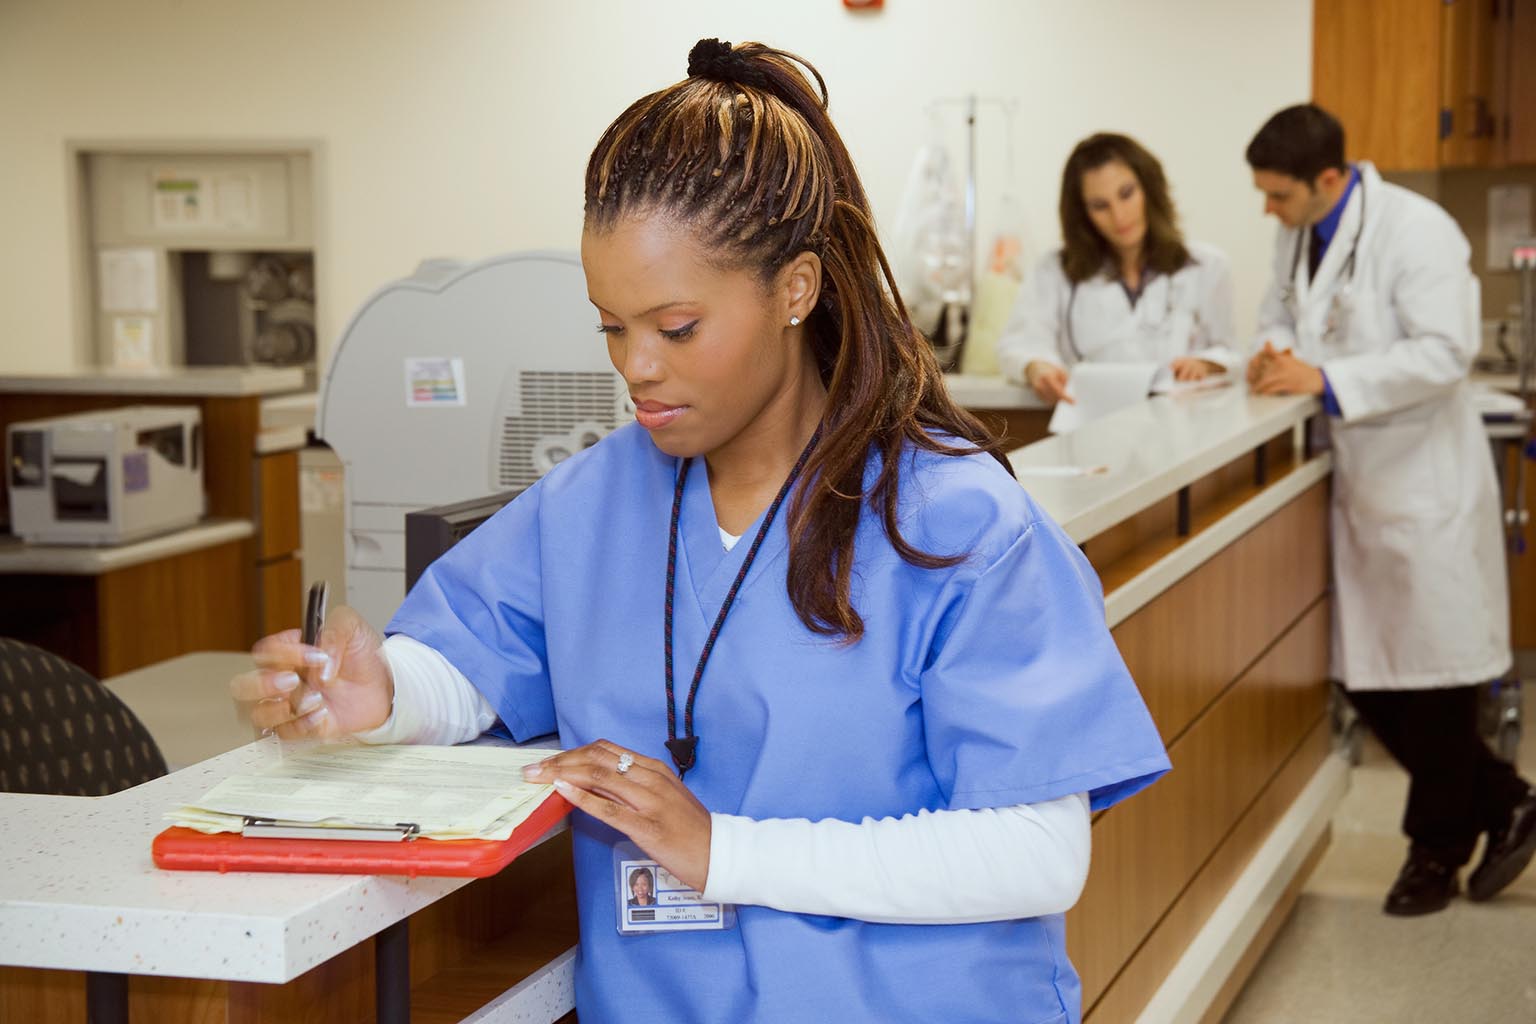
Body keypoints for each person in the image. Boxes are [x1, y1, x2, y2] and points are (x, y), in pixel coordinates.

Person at [231, 40, 1169, 1023]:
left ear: (795, 290)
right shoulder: (594, 502)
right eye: (609, 326)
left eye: (676, 328)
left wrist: (726, 851)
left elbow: (1037, 851)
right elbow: (480, 659)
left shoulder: (953, 520)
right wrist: (385, 693)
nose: (636, 367)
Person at [1245, 103, 1535, 916]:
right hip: (1358, 484)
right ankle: (1507, 799)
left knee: (1434, 684)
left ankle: (1434, 851)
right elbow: (1279, 312)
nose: (1267, 210)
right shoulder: (1299, 233)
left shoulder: (1419, 230)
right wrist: (1273, 353)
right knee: (1367, 675)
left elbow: (1446, 351)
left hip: (1421, 486)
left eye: (1278, 195)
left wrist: (1328, 381)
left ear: (1328, 179)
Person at [997, 132, 1236, 404]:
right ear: (1082, 213)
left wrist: (1207, 363)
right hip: (1091, 425)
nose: (1119, 216)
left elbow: (1230, 352)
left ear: (1149, 188)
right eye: (1100, 206)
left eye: (1126, 194)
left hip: (1182, 427)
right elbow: (1018, 345)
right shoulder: (1053, 270)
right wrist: (1037, 367)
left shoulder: (1207, 266)